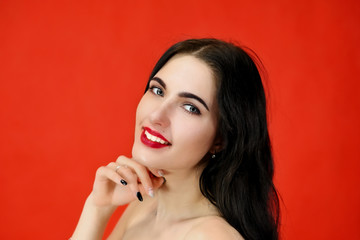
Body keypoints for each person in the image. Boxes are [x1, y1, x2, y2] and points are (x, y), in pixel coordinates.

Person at [71, 38, 280, 240]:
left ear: (221, 139)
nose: (156, 116)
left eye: (190, 107)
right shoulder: (143, 206)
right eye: (157, 90)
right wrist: (97, 209)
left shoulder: (210, 236)